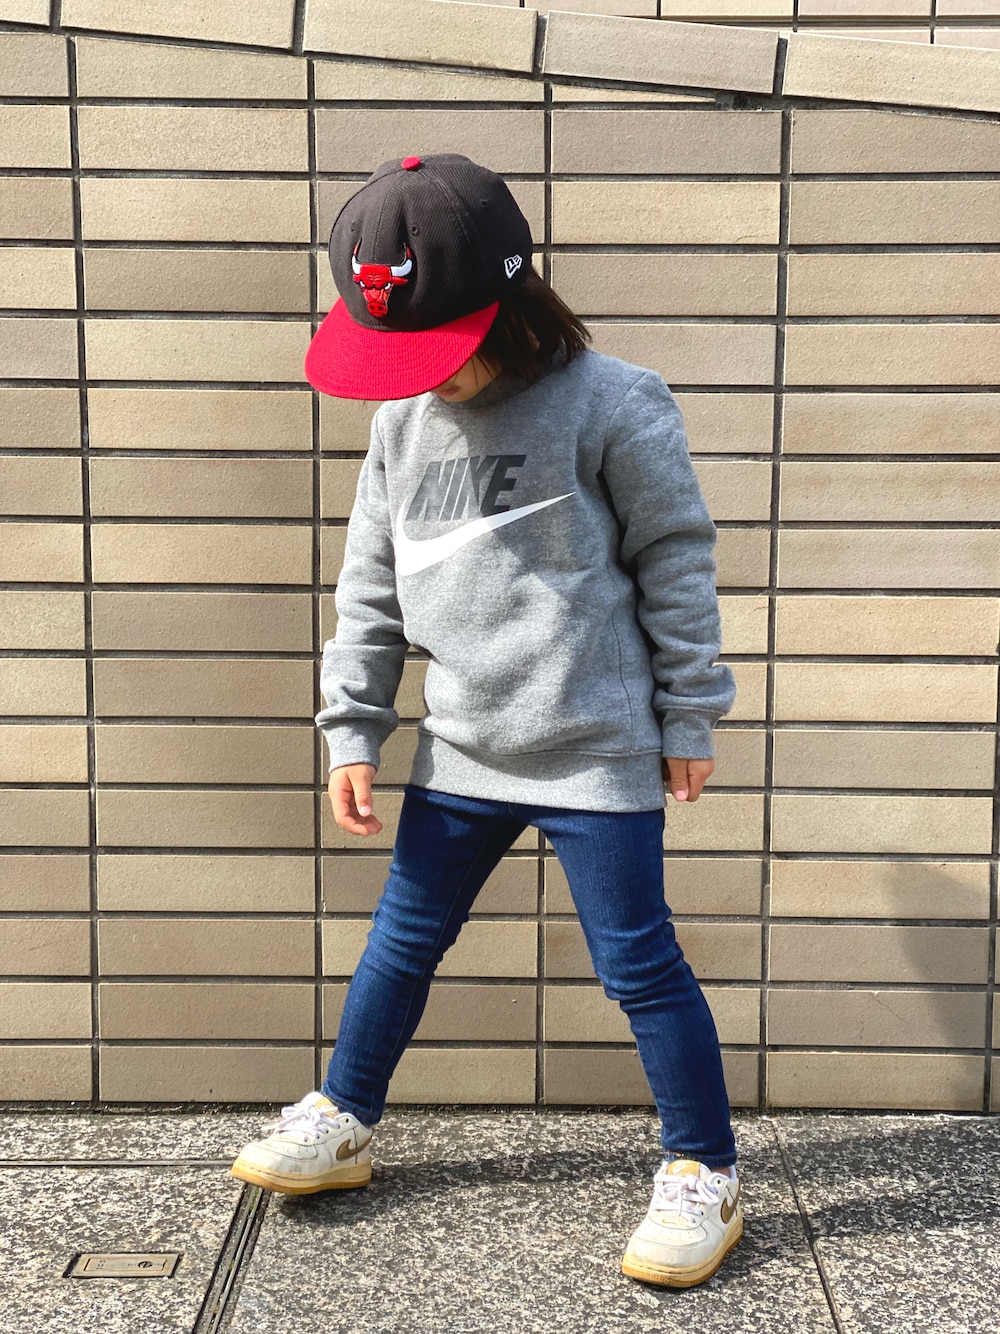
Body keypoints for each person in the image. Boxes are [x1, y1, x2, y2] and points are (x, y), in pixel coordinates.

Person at [230, 153, 742, 1289]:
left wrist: (689, 711)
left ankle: (704, 1168)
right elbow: (369, 586)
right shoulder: (402, 427)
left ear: (508, 303)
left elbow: (676, 560)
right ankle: (345, 1116)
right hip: (460, 745)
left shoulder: (614, 401)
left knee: (637, 963)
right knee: (402, 940)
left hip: (595, 748)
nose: (421, 379)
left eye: (436, 350)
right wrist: (352, 728)